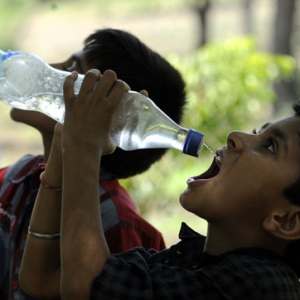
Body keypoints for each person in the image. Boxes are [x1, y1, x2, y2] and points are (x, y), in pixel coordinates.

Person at [20, 69, 300, 300]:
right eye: (257, 131)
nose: (235, 136)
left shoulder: (261, 285)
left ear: (287, 220)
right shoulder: (187, 258)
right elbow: (42, 280)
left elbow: (85, 288)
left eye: (270, 146)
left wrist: (83, 148)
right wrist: (65, 140)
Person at [0, 29, 186, 299]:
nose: (47, 69)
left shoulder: (119, 225)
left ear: (117, 123)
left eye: (71, 71)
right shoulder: (15, 179)